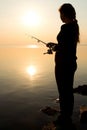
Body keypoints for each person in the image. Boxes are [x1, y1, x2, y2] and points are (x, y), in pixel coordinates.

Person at [47, 3, 80, 127]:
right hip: (71, 63)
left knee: (63, 91)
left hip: (63, 64)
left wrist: (54, 46)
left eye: (61, 14)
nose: (60, 17)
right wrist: (55, 45)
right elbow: (67, 46)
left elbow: (63, 47)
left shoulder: (65, 28)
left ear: (64, 14)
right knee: (68, 91)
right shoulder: (74, 26)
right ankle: (68, 115)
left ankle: (64, 117)